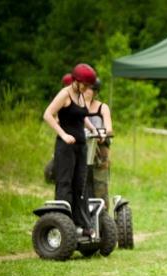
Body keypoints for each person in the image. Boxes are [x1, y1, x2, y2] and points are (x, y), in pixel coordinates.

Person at [43, 63, 99, 237]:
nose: (87, 88)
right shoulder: (65, 94)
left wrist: (93, 129)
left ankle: (81, 224)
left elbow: (81, 117)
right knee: (65, 183)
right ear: (76, 80)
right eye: (85, 84)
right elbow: (47, 114)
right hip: (65, 147)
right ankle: (64, 225)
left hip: (81, 146)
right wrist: (63, 134)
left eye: (89, 86)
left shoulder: (81, 95)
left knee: (79, 185)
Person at [83, 78, 113, 210]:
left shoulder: (102, 107)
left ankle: (102, 218)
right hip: (80, 149)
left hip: (98, 151)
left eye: (88, 88)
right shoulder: (75, 106)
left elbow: (109, 128)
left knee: (100, 187)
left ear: (95, 91)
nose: (85, 91)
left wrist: (102, 133)